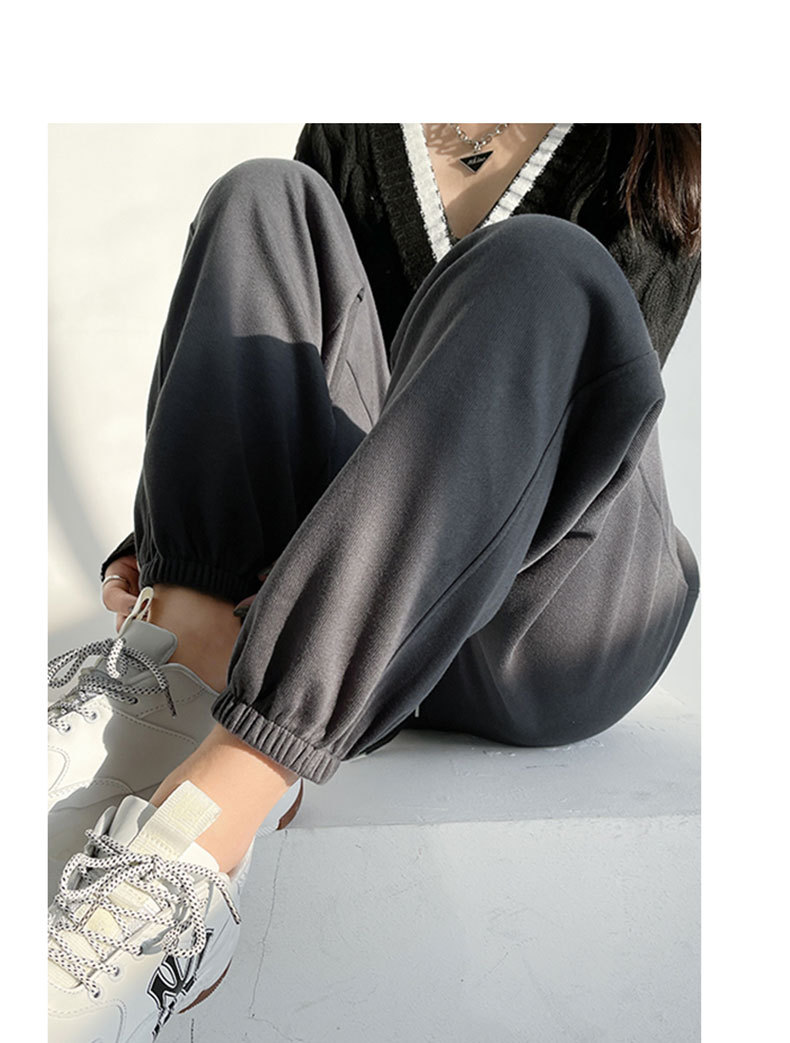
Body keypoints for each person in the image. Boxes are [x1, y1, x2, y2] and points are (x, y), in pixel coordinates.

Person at [47, 123, 701, 1040]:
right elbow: (289, 385)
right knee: (263, 197)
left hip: (553, 613)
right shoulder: (364, 124)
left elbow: (582, 420)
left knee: (544, 263)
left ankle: (208, 828)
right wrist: (183, 553)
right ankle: (177, 683)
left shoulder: (647, 144)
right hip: (348, 609)